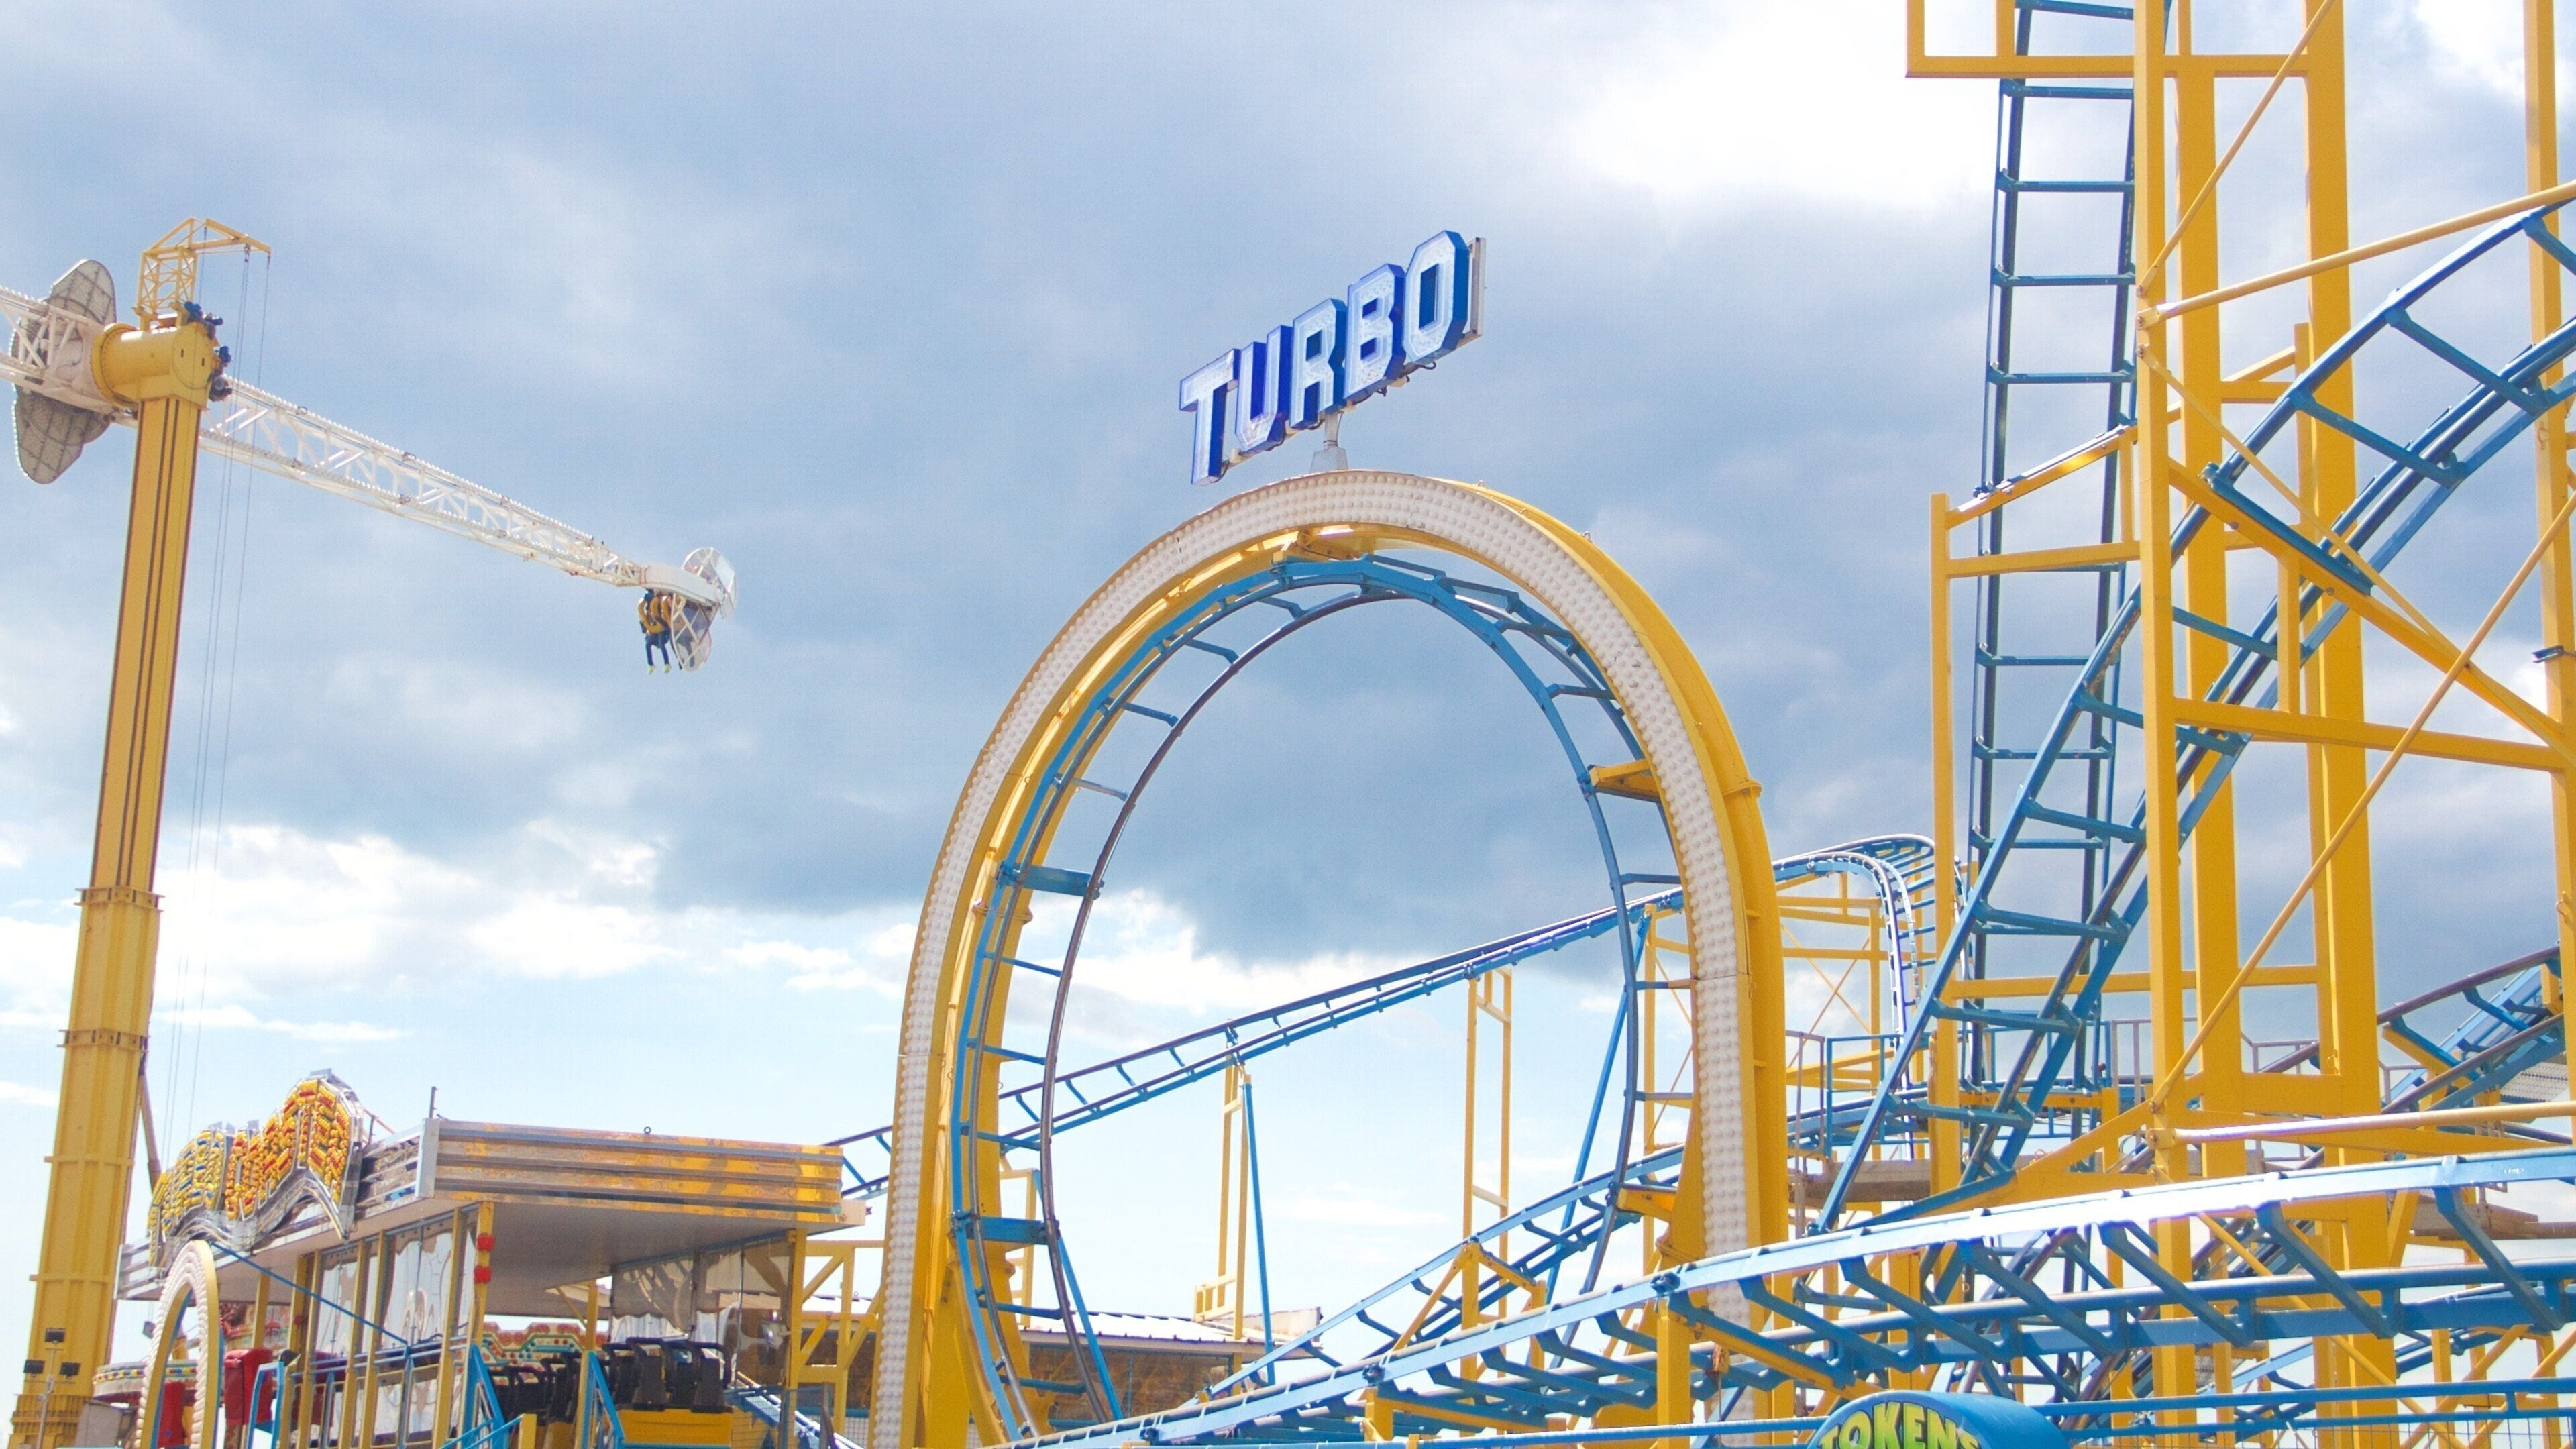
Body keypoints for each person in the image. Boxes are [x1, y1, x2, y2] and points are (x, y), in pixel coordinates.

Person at [640, 590, 674, 672]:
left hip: (662, 630)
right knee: (648, 645)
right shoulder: (650, 608)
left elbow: (661, 617)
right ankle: (650, 664)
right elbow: (643, 620)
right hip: (654, 630)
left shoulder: (659, 606)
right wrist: (646, 629)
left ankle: (667, 663)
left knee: (662, 644)